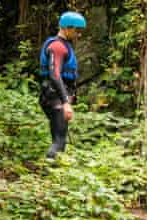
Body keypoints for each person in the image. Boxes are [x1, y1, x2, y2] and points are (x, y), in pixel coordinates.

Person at [39, 11, 86, 159]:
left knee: (59, 139)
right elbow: (55, 75)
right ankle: (46, 175)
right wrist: (65, 102)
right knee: (59, 142)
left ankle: (52, 174)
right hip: (54, 97)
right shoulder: (58, 47)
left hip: (56, 96)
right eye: (77, 30)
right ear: (67, 28)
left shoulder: (64, 45)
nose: (79, 34)